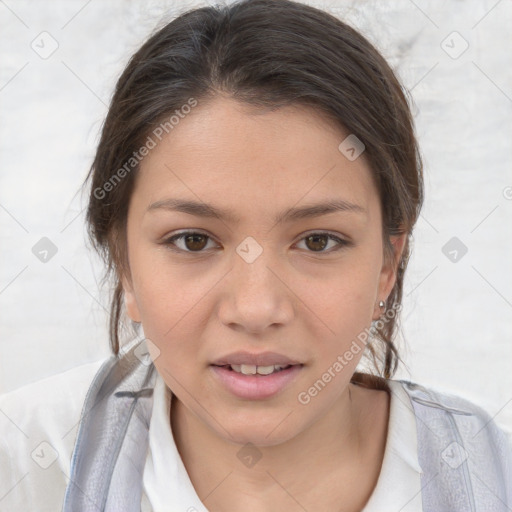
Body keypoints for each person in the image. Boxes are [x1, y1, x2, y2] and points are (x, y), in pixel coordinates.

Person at [1, 0, 510, 510]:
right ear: (125, 265)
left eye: (318, 241)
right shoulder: (24, 463)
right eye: (193, 241)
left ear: (386, 266)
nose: (256, 309)